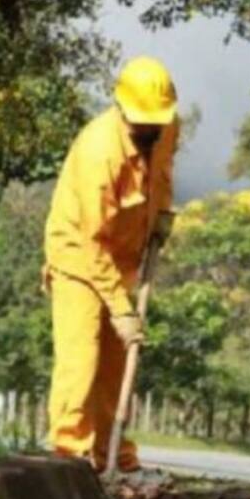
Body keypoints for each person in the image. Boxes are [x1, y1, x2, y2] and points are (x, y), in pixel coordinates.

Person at [43, 56, 179, 473]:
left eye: (156, 123)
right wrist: (120, 308)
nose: (150, 132)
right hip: (78, 257)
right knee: (81, 359)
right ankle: (70, 458)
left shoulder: (168, 126)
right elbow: (93, 240)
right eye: (142, 124)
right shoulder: (98, 152)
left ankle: (114, 459)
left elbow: (163, 172)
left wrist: (161, 215)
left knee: (116, 369)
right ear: (121, 110)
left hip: (124, 257)